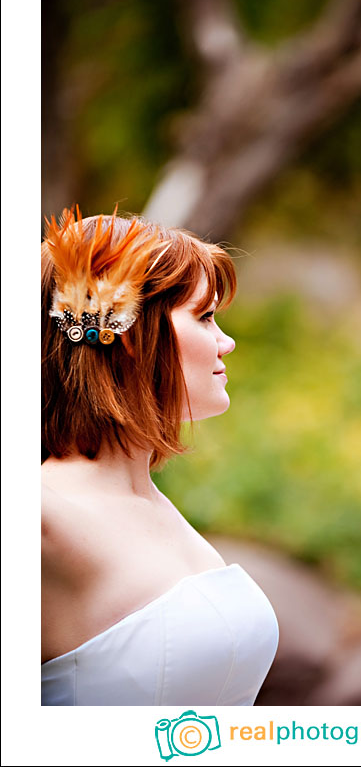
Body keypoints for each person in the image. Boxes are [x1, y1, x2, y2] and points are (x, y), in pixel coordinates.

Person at [41, 207, 279, 706]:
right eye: (206, 317)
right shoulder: (42, 515)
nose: (226, 342)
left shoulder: (150, 500)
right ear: (127, 334)